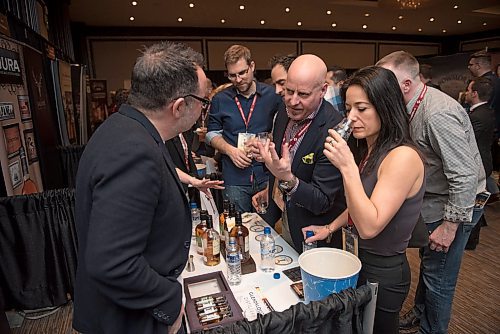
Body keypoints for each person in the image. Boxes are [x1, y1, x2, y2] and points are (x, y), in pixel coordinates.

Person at [73, 42, 207, 334]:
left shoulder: (123, 128)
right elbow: (112, 262)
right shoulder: (135, 151)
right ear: (180, 106)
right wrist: (170, 302)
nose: (202, 110)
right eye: (202, 102)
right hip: (129, 317)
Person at [302, 65, 425, 334]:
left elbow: (370, 226)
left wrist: (347, 168)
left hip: (383, 269)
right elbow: (360, 204)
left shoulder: (402, 157)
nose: (352, 117)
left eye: (362, 108)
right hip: (359, 258)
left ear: (385, 106)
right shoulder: (371, 149)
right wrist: (329, 228)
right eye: (348, 109)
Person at [377, 51, 486, 334]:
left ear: (406, 85)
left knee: (439, 277)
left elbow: (464, 175)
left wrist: (450, 227)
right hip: (434, 202)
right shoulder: (411, 105)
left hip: (456, 206)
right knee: (430, 266)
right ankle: (419, 315)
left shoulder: (437, 113)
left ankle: (432, 329)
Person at [250, 54, 346, 252]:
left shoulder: (333, 130)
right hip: (287, 219)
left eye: (303, 94)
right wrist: (272, 189)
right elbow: (284, 162)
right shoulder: (283, 113)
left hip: (313, 233)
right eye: (288, 91)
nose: (292, 101)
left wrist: (288, 180)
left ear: (323, 90)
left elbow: (322, 201)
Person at [206, 44, 282, 213]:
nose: (238, 80)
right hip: (235, 177)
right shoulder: (220, 99)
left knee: (266, 226)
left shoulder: (273, 95)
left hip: (266, 174)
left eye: (242, 73)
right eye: (232, 75)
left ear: (252, 66)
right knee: (239, 226)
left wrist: (269, 140)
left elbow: (282, 129)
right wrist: (230, 150)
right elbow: (211, 134)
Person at [464, 77, 495, 248]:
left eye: (468, 90)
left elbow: (466, 142)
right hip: (485, 161)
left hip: (478, 164)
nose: (466, 93)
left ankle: (470, 240)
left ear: (474, 94)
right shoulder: (487, 111)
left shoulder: (477, 116)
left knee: (473, 202)